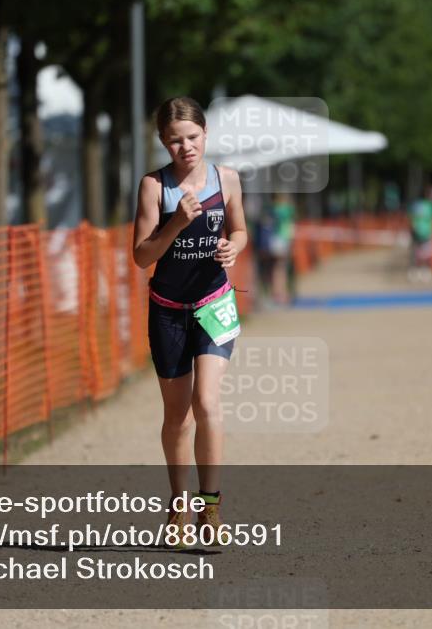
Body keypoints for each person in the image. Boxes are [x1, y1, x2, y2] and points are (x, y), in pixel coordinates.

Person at [131, 96, 249, 541]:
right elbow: (142, 256)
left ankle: (211, 509)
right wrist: (175, 224)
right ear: (164, 143)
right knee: (178, 416)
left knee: (207, 404)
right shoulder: (153, 187)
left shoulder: (227, 180)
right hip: (168, 309)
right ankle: (179, 506)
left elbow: (238, 228)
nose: (186, 148)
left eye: (193, 137)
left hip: (214, 303)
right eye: (175, 141)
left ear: (206, 134)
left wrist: (234, 246)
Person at [408, 187, 432, 282]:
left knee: (418, 253)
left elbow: (413, 219)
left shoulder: (417, 205)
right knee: (424, 253)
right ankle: (423, 271)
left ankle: (417, 271)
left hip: (420, 231)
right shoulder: (430, 205)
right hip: (425, 232)